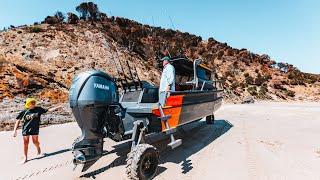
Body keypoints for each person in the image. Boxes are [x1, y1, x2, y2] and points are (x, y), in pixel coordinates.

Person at [12, 98, 62, 164]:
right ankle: (25, 157)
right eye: (31, 103)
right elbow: (18, 120)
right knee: (25, 143)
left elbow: (48, 110)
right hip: (26, 129)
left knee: (35, 142)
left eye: (34, 103)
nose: (33, 104)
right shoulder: (24, 111)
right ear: (28, 104)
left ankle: (38, 147)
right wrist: (14, 130)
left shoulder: (38, 109)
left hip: (35, 128)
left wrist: (56, 107)